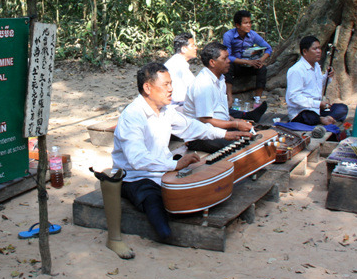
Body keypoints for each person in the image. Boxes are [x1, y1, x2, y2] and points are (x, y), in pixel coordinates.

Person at [108, 62, 251, 254]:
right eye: (165, 84)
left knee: (196, 188)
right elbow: (137, 160)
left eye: (171, 84)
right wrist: (175, 164)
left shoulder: (165, 110)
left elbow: (192, 127)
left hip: (165, 171)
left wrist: (225, 134)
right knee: (160, 218)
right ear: (147, 88)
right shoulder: (132, 116)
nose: (171, 89)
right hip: (135, 177)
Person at [182, 42, 267, 152]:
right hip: (201, 136)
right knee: (243, 147)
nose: (229, 61)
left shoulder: (220, 78)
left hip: (218, 129)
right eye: (225, 58)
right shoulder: (203, 84)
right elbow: (205, 120)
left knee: (257, 134)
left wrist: (235, 120)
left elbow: (220, 110)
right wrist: (235, 124)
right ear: (212, 62)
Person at [286, 35, 348, 126]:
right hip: (302, 111)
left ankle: (326, 119)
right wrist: (317, 104)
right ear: (305, 51)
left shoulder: (317, 67)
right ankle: (323, 119)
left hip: (317, 109)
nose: (319, 51)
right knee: (309, 116)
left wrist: (328, 76)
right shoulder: (296, 70)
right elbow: (294, 97)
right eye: (315, 49)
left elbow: (319, 84)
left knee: (342, 108)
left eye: (319, 48)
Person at [222, 10, 272, 107]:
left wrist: (260, 60)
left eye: (250, 22)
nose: (249, 25)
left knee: (262, 69)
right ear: (238, 25)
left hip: (250, 66)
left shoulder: (253, 35)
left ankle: (257, 99)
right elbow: (228, 56)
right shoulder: (228, 35)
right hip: (236, 65)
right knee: (227, 66)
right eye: (246, 23)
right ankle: (229, 98)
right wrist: (247, 62)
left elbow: (269, 48)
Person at [164, 32, 198, 110]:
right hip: (175, 107)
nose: (195, 48)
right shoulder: (177, 65)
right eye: (192, 45)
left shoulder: (179, 62)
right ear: (183, 49)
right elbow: (178, 96)